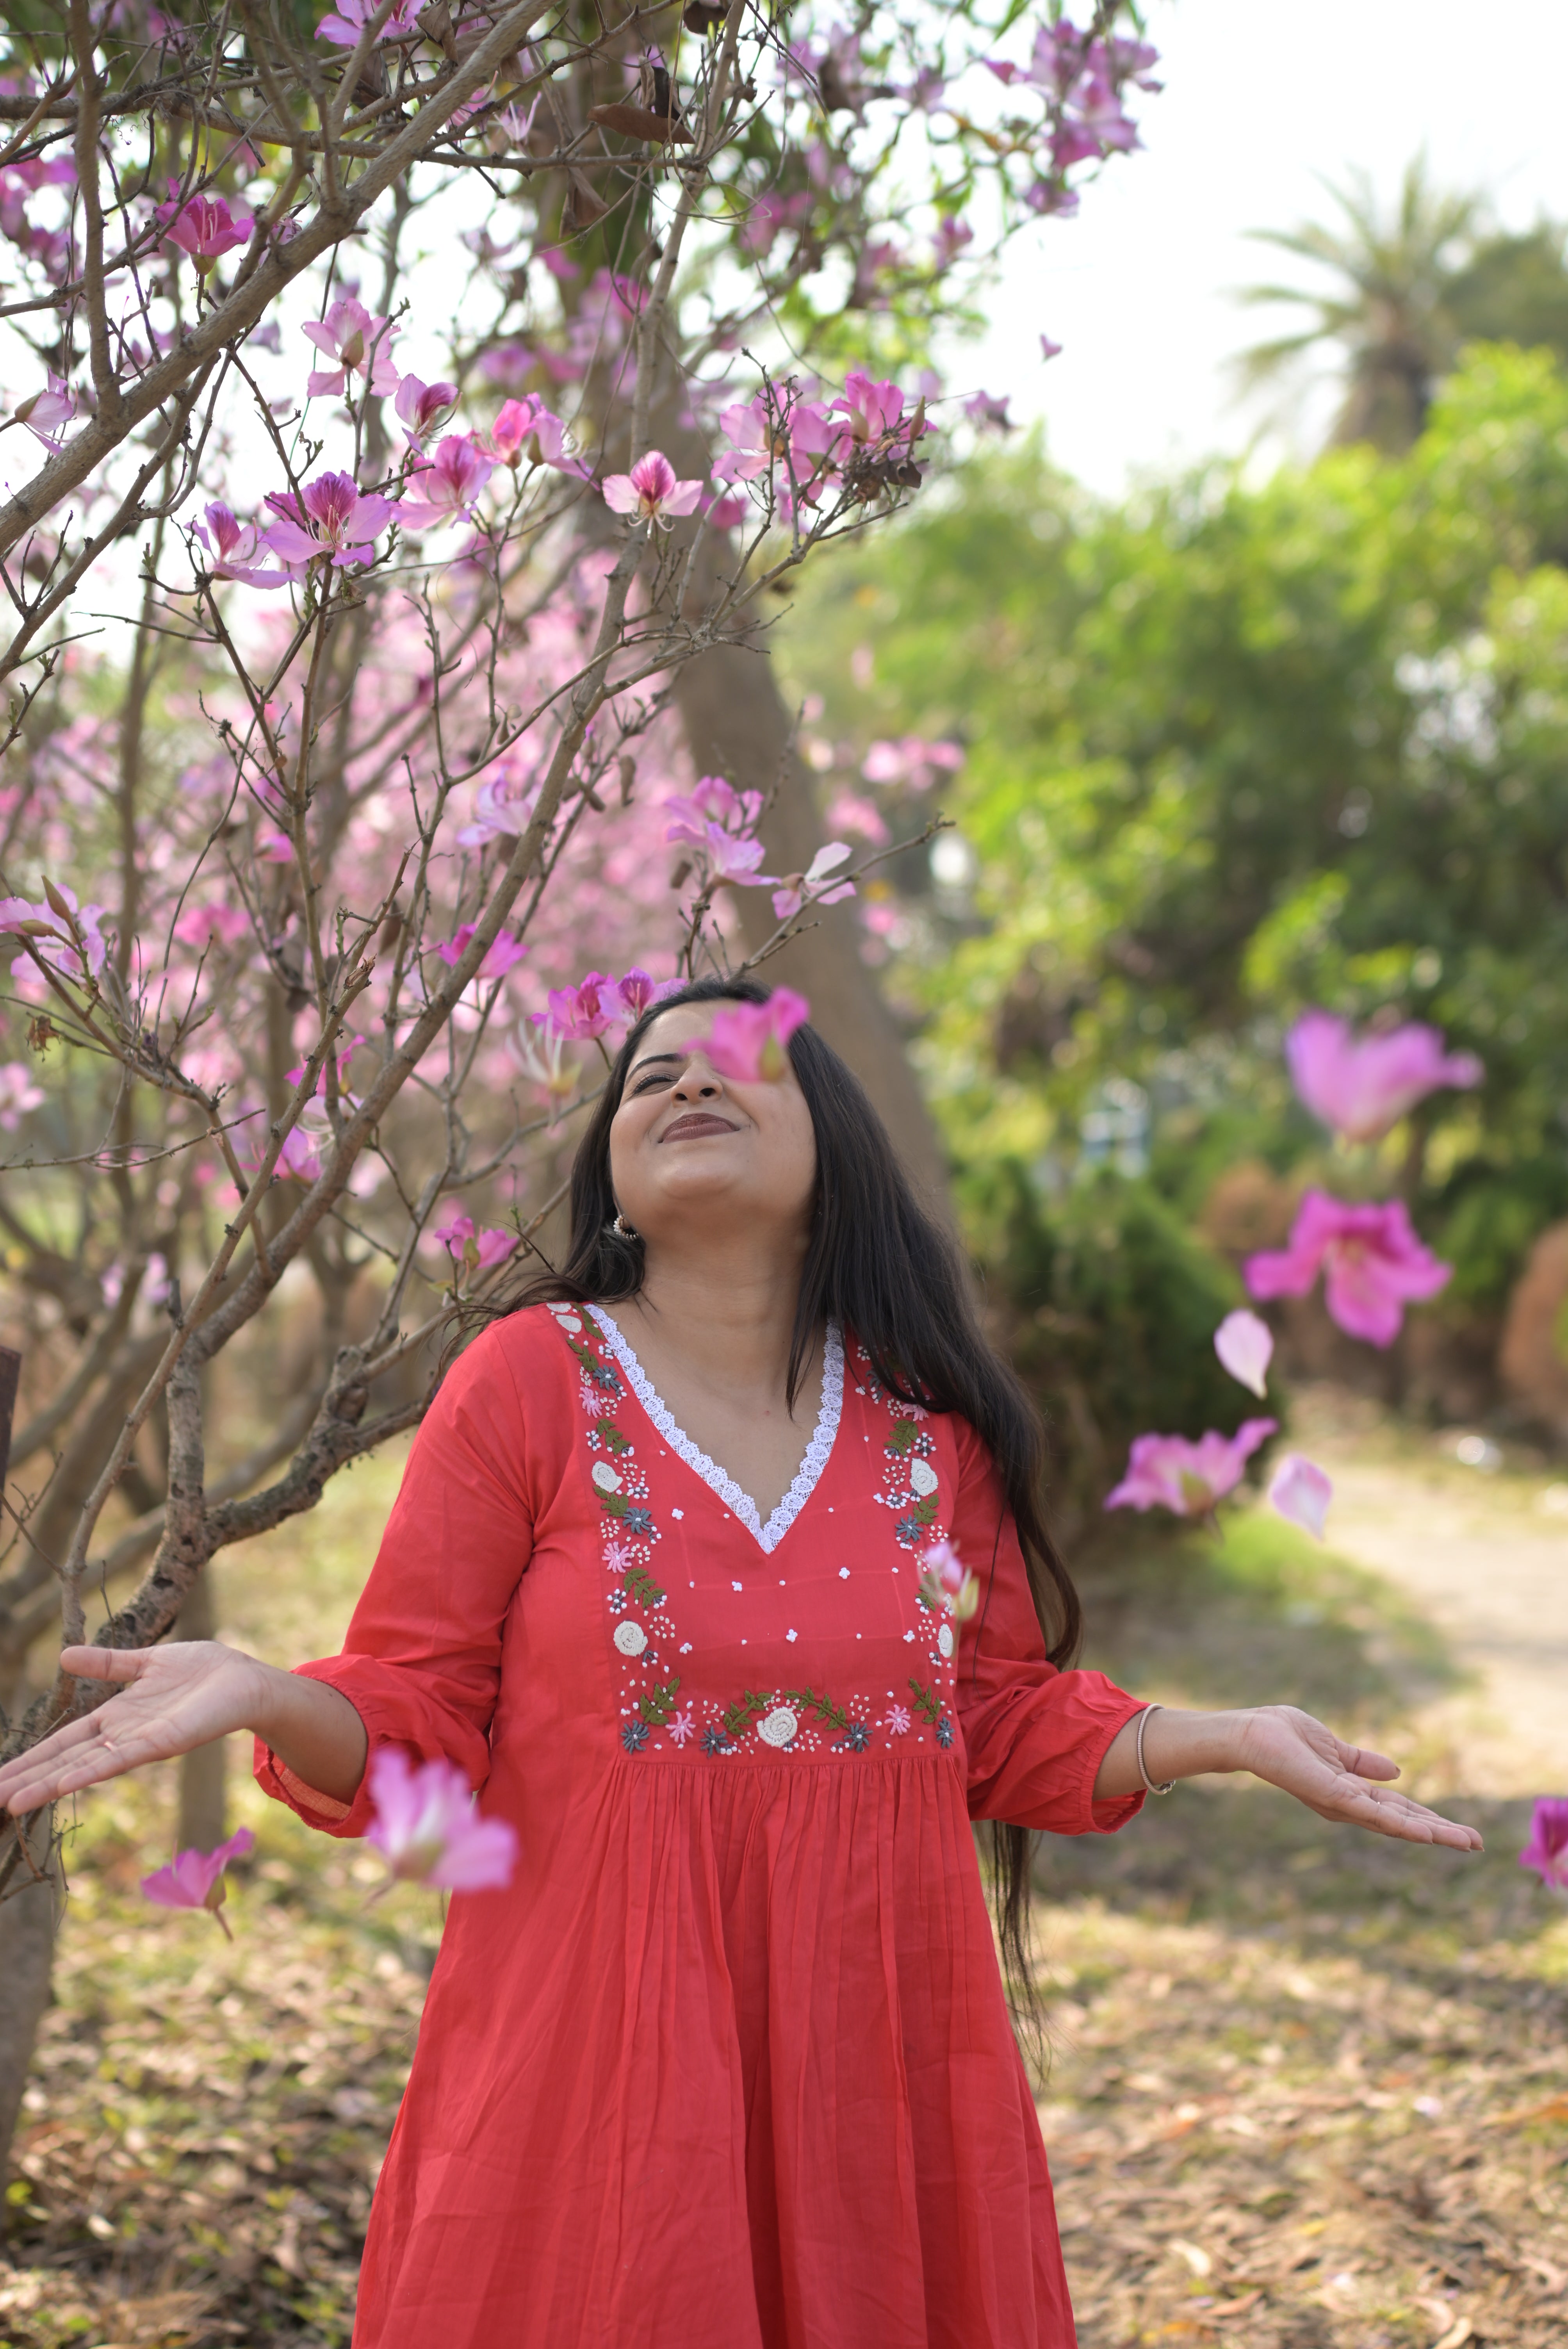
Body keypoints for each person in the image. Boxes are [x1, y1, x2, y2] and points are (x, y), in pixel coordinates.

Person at [0, 978, 1481, 2349]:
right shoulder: (527, 1379)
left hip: (877, 2065)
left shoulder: (931, 1432)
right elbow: (422, 1715)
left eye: (735, 1067)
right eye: (649, 1077)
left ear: (830, 1144)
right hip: (595, 2076)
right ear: (614, 1171)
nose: (685, 1087)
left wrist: (1218, 1735)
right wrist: (266, 1692)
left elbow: (991, 1719)